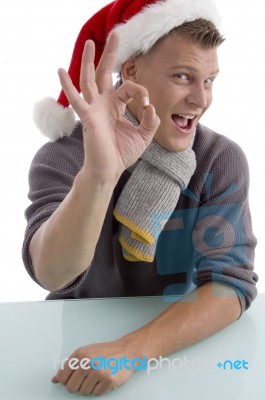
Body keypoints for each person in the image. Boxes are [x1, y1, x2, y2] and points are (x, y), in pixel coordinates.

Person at [23, 0, 258, 396]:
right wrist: (99, 175)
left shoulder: (220, 159)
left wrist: (131, 352)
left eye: (210, 79)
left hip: (177, 352)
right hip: (74, 361)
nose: (201, 99)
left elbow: (228, 288)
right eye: (183, 76)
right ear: (130, 71)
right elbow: (50, 272)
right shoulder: (63, 156)